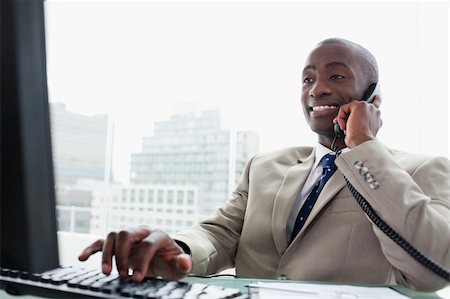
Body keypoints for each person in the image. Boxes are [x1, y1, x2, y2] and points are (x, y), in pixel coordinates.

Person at [79, 38, 450, 292]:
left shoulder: (422, 170)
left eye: (336, 76)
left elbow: (434, 268)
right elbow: (220, 234)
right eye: (307, 79)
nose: (316, 89)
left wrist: (363, 146)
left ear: (374, 99)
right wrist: (179, 249)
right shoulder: (265, 165)